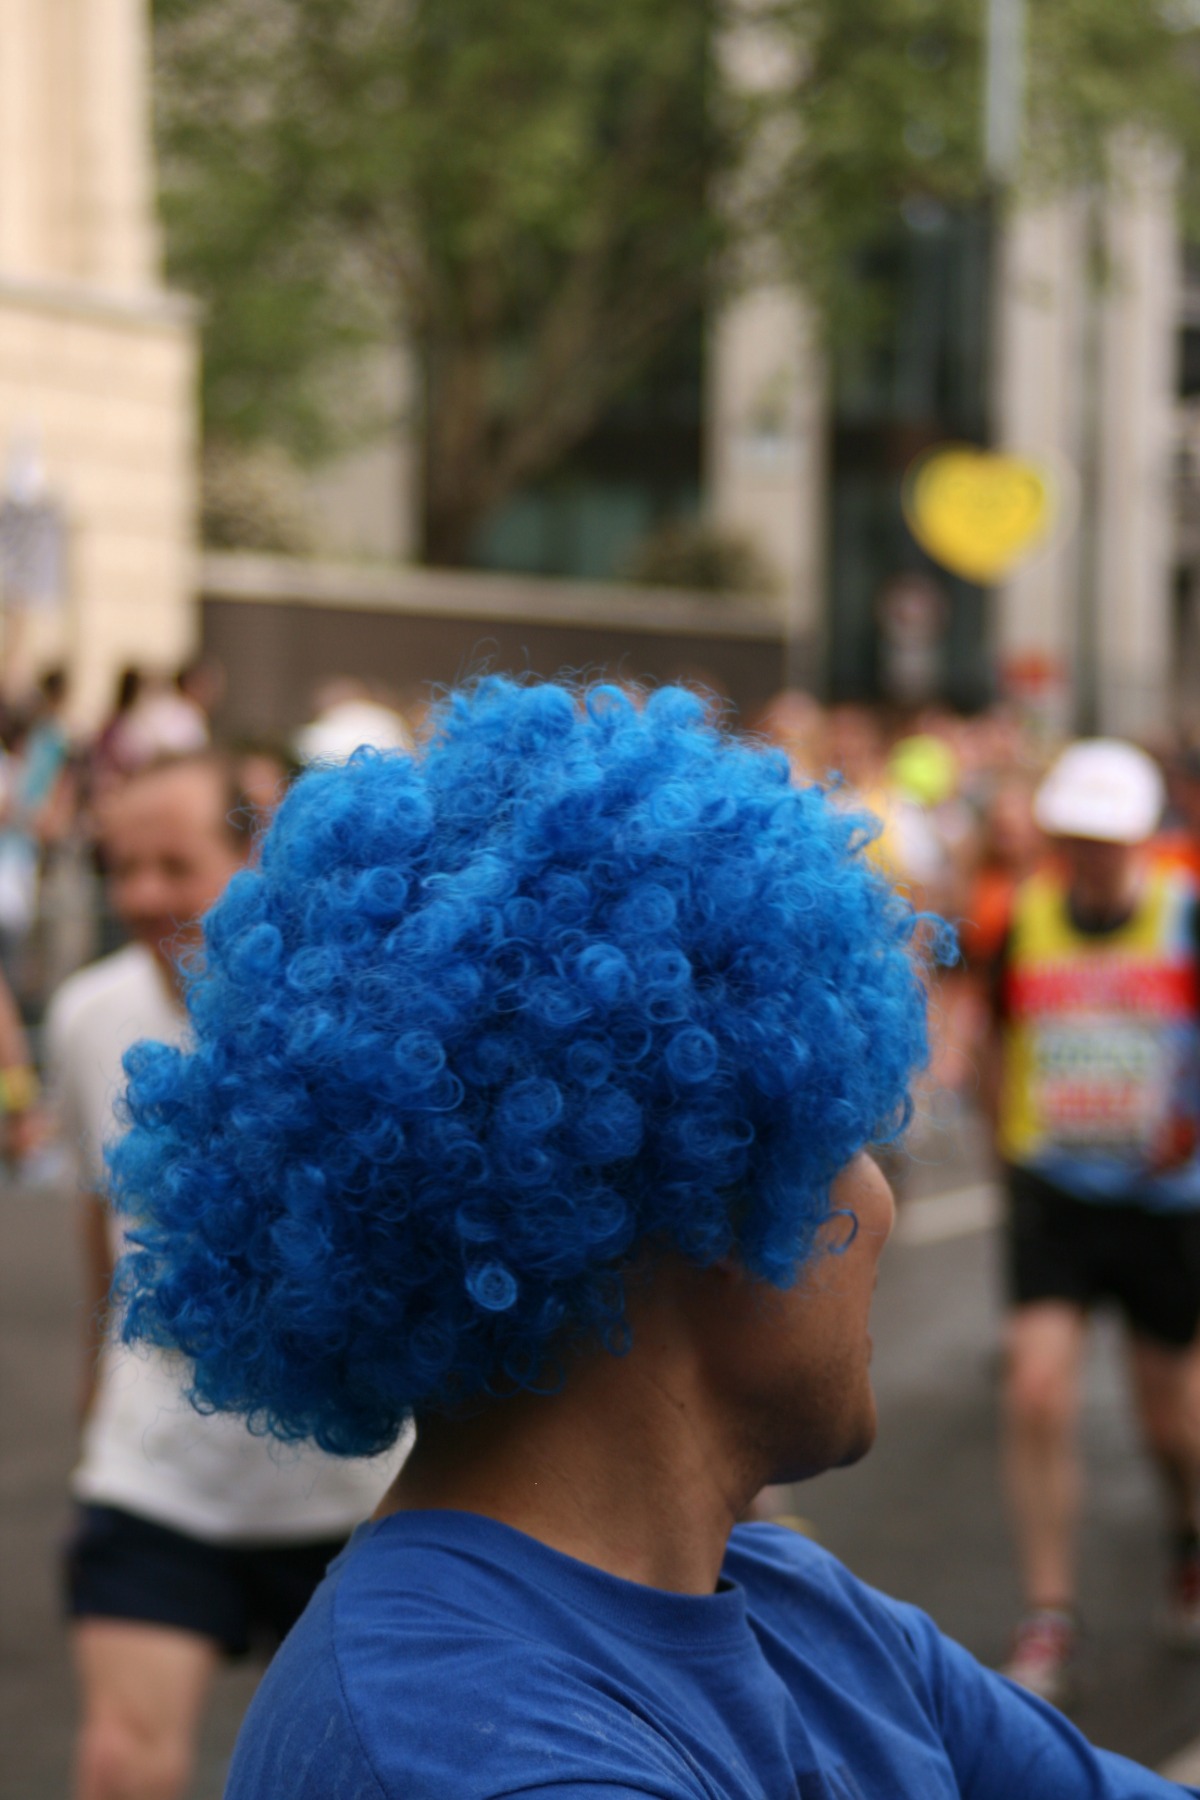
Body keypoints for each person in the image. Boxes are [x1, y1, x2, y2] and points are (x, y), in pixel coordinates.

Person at [109, 684, 1195, 1798]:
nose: (883, 1206)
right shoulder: (463, 1751)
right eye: (845, 1138)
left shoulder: (796, 1606)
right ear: (715, 1198)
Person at [45, 752, 403, 1800]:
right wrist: (88, 1377)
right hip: (152, 1473)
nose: (144, 895)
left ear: (251, 862)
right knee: (121, 1759)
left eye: (174, 864)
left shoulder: (347, 1017)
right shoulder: (84, 1018)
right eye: (124, 866)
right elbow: (97, 1219)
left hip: (346, 1488)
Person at [988, 739, 1200, 1706]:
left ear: (1146, 838)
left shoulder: (1185, 918)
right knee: (1035, 1390)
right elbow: (995, 1034)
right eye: (1077, 838)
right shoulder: (1028, 917)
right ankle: (1050, 1614)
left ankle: (1188, 1541)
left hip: (1165, 1206)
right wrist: (1005, 1139)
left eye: (1110, 840)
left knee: (1173, 1427)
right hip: (1057, 1194)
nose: (1092, 857)